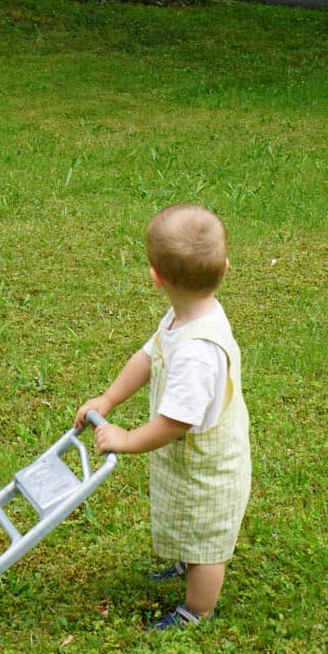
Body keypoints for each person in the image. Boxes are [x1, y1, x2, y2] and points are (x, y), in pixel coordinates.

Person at [74, 203, 251, 630]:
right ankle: (185, 562)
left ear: (156, 277)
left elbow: (175, 422)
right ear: (224, 268)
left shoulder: (196, 354)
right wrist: (109, 398)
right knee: (186, 523)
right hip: (190, 462)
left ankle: (197, 609)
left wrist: (127, 438)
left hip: (209, 472)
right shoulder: (186, 317)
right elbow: (149, 355)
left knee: (206, 542)